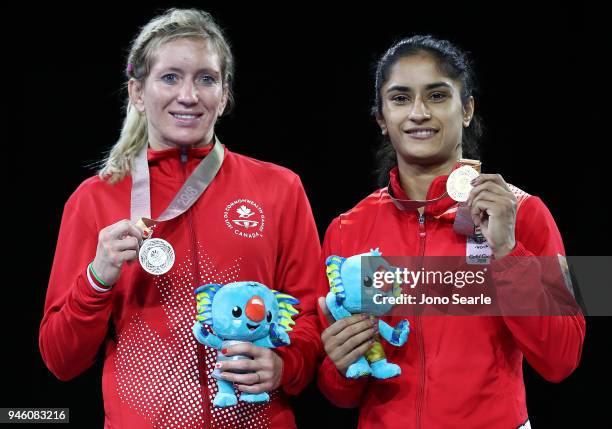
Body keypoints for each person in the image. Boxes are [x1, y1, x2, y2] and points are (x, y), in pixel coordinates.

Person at [39, 9, 321, 429]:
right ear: (137, 91)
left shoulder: (279, 189)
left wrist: (285, 363)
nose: (188, 95)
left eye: (206, 79)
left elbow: (311, 314)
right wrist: (97, 278)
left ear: (224, 94)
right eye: (170, 77)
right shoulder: (94, 199)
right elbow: (61, 360)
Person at [316, 35, 585, 429]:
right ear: (381, 118)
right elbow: (340, 394)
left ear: (467, 110)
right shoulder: (346, 228)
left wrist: (507, 251)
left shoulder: (524, 213)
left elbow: (563, 358)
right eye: (401, 98)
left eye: (438, 95)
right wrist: (338, 367)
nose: (419, 113)